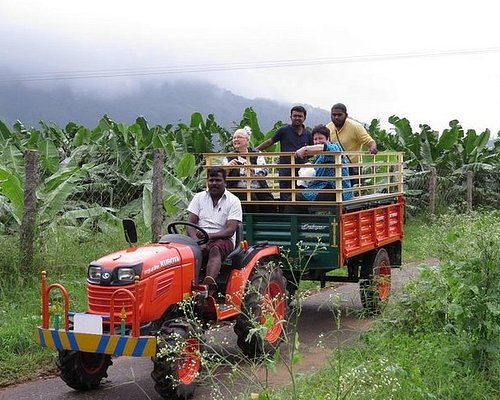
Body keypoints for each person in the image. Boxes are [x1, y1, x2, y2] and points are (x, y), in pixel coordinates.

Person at [187, 167, 242, 289]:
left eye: (218, 180)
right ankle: (186, 283)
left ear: (225, 182)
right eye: (211, 180)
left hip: (223, 239)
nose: (214, 184)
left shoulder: (234, 201)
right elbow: (191, 224)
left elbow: (230, 231)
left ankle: (208, 286)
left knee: (215, 249)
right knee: (181, 250)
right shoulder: (199, 198)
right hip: (198, 237)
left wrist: (208, 236)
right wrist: (196, 240)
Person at [256, 105, 313, 200]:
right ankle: (285, 213)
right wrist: (255, 150)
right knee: (285, 196)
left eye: (300, 116)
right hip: (285, 169)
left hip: (302, 171)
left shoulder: (308, 134)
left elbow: (312, 150)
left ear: (304, 118)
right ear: (290, 117)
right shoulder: (284, 131)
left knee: (301, 195)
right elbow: (271, 141)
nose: (297, 118)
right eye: (295, 116)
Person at [293, 124, 353, 205]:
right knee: (294, 197)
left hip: (337, 190)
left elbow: (328, 148)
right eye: (315, 139)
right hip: (323, 188)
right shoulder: (319, 156)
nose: (317, 141)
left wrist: (305, 148)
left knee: (296, 199)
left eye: (320, 138)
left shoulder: (335, 147)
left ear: (328, 139)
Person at [223, 127, 275, 212]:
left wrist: (253, 169)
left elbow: (265, 170)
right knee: (251, 200)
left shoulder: (257, 153)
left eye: (239, 137)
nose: (236, 139)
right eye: (234, 138)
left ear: (247, 140)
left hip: (258, 187)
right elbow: (221, 174)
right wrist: (227, 168)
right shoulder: (228, 156)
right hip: (237, 188)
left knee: (270, 203)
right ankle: (251, 224)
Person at [326, 103, 378, 184]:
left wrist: (372, 148)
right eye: (334, 115)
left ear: (346, 115)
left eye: (339, 115)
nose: (336, 117)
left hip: (352, 168)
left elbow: (369, 141)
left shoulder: (356, 127)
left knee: (350, 194)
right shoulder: (328, 128)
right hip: (335, 168)